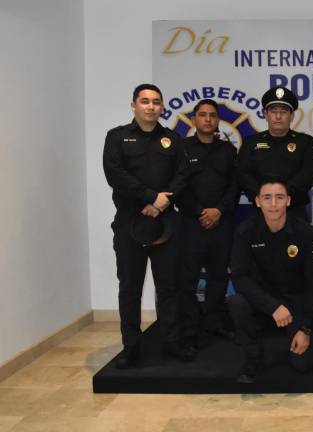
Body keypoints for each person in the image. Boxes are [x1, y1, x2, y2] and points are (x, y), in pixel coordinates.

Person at [103, 83, 193, 368]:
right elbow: (115, 174)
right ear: (134, 106)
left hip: (166, 221)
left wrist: (163, 201)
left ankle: (171, 341)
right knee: (130, 287)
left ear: (162, 107)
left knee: (169, 286)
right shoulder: (116, 138)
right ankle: (131, 346)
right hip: (130, 221)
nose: (151, 106)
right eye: (145, 101)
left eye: (156, 102)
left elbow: (183, 174)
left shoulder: (173, 139)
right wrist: (150, 197)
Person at [228, 179, 313, 381]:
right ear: (257, 201)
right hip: (264, 302)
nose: (273, 204)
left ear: (288, 201)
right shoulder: (245, 232)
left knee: (302, 365)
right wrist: (272, 306)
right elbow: (239, 277)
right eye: (267, 198)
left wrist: (305, 328)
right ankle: (253, 356)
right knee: (237, 303)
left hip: (297, 302)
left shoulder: (306, 233)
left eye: (279, 198)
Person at [177, 99, 240, 352]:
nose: (207, 119)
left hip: (221, 223)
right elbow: (178, 186)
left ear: (217, 120)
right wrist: (200, 212)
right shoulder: (181, 149)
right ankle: (189, 330)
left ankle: (214, 322)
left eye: (212, 115)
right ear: (194, 119)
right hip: (191, 224)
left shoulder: (227, 150)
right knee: (188, 280)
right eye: (202, 115)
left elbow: (234, 186)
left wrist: (219, 211)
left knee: (217, 277)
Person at [238, 86, 313, 220]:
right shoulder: (251, 142)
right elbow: (243, 174)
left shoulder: (305, 142)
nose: (278, 116)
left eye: (284, 112)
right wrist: (263, 197)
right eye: (273, 111)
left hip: (294, 211)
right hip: (260, 210)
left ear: (292, 116)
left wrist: (282, 196)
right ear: (265, 115)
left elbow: (310, 173)